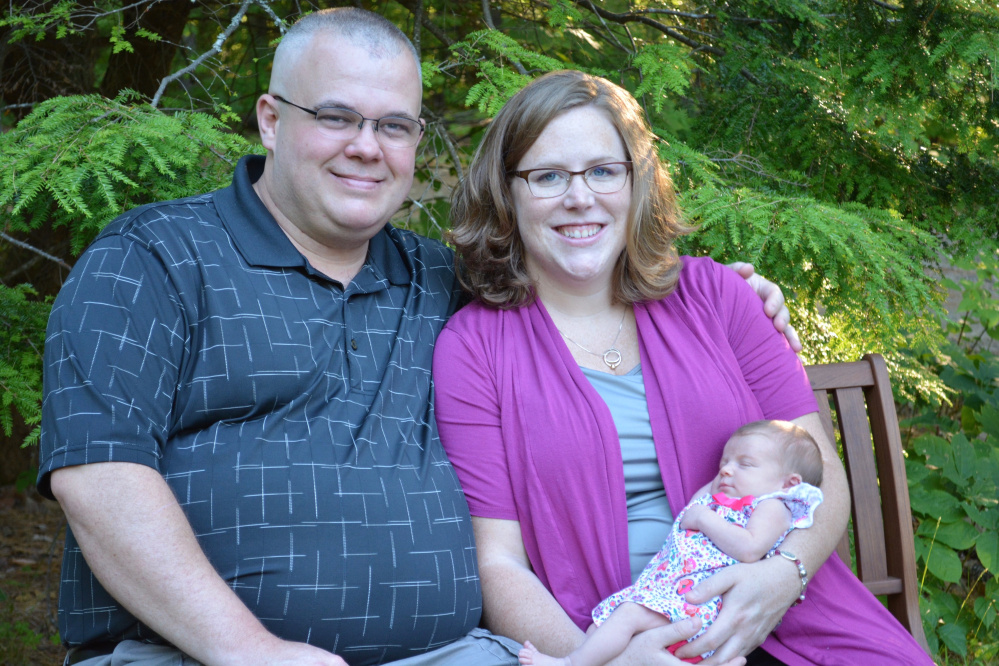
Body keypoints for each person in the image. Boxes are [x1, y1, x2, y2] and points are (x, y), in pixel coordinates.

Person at [36, 9, 790, 666]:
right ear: (270, 118)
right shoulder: (155, 258)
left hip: (459, 653)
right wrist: (247, 649)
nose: (367, 146)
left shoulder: (446, 283)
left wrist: (726, 296)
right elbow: (99, 474)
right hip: (197, 656)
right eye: (336, 117)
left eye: (393, 125)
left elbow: (586, 287)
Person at [432, 69, 934, 665]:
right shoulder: (475, 348)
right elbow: (499, 562)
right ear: (506, 194)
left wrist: (780, 579)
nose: (579, 197)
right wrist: (607, 662)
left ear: (635, 181)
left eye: (602, 171)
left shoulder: (718, 297)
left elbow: (821, 470)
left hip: (786, 617)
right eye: (547, 176)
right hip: (616, 637)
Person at [518, 420, 825, 666]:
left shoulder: (772, 505)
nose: (726, 470)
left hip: (702, 607)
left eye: (745, 464)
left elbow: (750, 548)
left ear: (789, 483)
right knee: (601, 627)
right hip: (672, 595)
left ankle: (570, 663)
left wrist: (705, 519)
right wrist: (713, 496)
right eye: (724, 462)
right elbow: (692, 509)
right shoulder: (722, 501)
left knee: (627, 615)